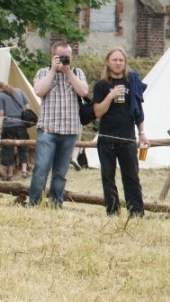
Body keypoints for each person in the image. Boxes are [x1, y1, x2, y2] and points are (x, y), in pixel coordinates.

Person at [27, 41, 90, 208]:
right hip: (48, 130)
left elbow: (84, 92)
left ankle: (56, 204)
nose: (64, 59)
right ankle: (33, 203)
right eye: (60, 56)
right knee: (41, 169)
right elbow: (39, 91)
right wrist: (53, 70)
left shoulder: (77, 72)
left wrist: (68, 71)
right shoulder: (43, 72)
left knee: (61, 172)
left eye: (67, 57)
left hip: (69, 131)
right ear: (52, 56)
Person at [92, 48, 149, 217]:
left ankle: (136, 212)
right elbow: (97, 112)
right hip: (106, 138)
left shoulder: (132, 83)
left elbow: (138, 111)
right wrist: (110, 96)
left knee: (131, 177)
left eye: (121, 60)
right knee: (108, 177)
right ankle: (112, 211)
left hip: (127, 138)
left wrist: (142, 132)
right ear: (108, 62)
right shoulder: (101, 85)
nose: (118, 63)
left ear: (125, 63)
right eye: (114, 60)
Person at [0, 81, 32, 179]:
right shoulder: (19, 91)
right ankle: (24, 171)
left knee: (8, 148)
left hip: (8, 125)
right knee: (23, 146)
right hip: (21, 124)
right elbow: (27, 107)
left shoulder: (1, 96)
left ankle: (10, 174)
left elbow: (1, 113)